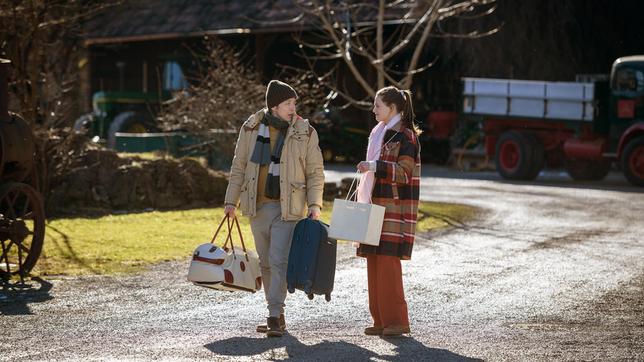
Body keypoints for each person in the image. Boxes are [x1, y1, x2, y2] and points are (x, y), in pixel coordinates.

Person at [223, 80, 325, 338]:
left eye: (294, 103)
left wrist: (314, 203)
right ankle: (276, 313)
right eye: (288, 103)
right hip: (257, 206)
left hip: (288, 207)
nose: (293, 108)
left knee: (279, 260)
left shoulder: (305, 131)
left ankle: (273, 315)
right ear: (274, 106)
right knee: (266, 263)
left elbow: (315, 172)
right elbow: (239, 166)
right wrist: (230, 201)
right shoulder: (251, 128)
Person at [356, 86, 421, 337]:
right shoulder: (380, 133)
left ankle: (398, 321)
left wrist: (374, 165)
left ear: (392, 108)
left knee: (387, 263)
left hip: (393, 209)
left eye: (378, 105)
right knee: (374, 260)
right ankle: (381, 320)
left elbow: (404, 173)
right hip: (374, 205)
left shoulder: (406, 137)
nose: (373, 110)